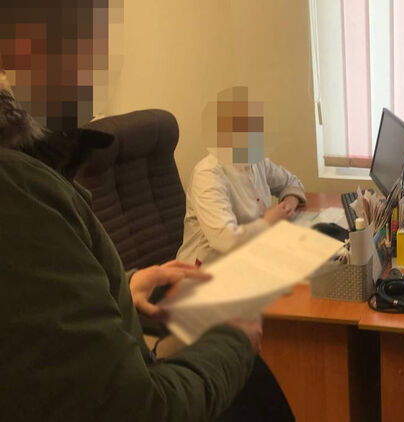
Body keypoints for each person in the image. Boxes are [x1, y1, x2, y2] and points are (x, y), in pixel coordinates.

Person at [0, 71, 293, 421]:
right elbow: (133, 408)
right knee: (260, 388)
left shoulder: (24, 170)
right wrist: (235, 339)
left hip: (165, 321)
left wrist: (124, 288)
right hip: (206, 292)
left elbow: (39, 306)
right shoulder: (14, 185)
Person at [177, 86, 305, 265]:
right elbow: (226, 240)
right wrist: (269, 221)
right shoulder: (208, 174)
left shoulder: (256, 160)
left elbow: (291, 182)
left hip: (251, 254)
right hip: (208, 267)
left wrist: (288, 205)